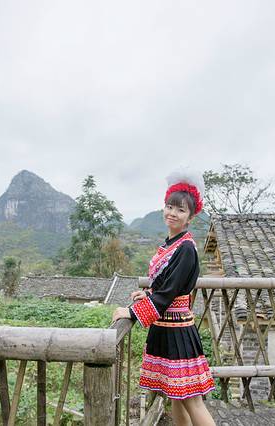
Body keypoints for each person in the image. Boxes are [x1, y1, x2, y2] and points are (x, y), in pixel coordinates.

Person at [112, 172, 216, 426]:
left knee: (192, 400)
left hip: (178, 331)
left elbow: (170, 292)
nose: (172, 213)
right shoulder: (171, 243)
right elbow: (165, 284)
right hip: (167, 327)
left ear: (191, 216)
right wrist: (148, 294)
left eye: (180, 210)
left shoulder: (186, 248)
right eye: (169, 206)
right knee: (176, 396)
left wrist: (132, 312)